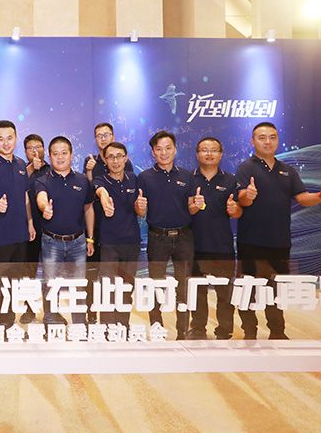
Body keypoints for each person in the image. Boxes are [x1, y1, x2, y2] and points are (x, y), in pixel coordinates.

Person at [235, 122, 321, 340]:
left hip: (280, 241)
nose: (267, 141)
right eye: (262, 137)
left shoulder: (287, 170)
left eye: (272, 137)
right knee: (248, 289)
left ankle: (277, 332)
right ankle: (249, 332)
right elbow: (241, 199)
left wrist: (320, 195)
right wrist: (247, 195)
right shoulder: (246, 168)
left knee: (276, 289)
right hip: (251, 241)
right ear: (253, 141)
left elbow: (302, 198)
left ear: (277, 140)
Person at [136, 130, 195, 340]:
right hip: (157, 237)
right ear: (153, 152)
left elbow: (192, 208)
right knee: (155, 285)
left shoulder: (187, 176)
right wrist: (139, 207)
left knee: (184, 285)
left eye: (168, 148)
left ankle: (182, 331)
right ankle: (157, 328)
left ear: (175, 149)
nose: (164, 153)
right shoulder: (144, 177)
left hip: (184, 237)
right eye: (159, 149)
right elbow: (140, 212)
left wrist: (197, 205)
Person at [35, 136, 95, 325]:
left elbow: (88, 208)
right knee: (50, 284)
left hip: (78, 242)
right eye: (55, 154)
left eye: (64, 153)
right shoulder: (42, 181)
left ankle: (79, 324)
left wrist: (90, 238)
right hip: (51, 242)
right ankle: (51, 321)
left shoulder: (83, 180)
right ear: (49, 156)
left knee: (79, 285)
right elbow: (41, 198)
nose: (60, 157)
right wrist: (45, 208)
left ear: (71, 155)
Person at [0, 120, 36, 328]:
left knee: (14, 281)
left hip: (20, 234)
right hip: (0, 235)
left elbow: (25, 196)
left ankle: (9, 321)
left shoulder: (21, 164)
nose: (6, 143)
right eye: (1, 139)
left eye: (9, 138)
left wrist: (30, 222)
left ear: (16, 138)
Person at [186, 137, 242, 340]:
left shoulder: (231, 180)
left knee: (225, 292)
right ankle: (198, 328)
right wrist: (193, 206)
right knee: (197, 291)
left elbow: (238, 212)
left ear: (221, 154)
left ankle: (225, 329)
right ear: (197, 154)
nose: (209, 154)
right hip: (194, 245)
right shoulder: (188, 179)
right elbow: (185, 210)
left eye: (213, 150)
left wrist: (235, 209)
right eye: (204, 150)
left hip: (222, 246)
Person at [83, 123, 134, 322]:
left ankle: (121, 322)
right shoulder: (91, 162)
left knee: (122, 281)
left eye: (107, 134)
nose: (103, 138)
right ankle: (92, 314)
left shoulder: (125, 165)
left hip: (121, 230)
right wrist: (89, 174)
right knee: (96, 276)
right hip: (96, 226)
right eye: (99, 135)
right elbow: (90, 191)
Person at [93, 142, 141, 325]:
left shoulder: (134, 179)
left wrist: (141, 207)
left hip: (132, 242)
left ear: (126, 158)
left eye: (119, 156)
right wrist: (105, 200)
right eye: (111, 157)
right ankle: (106, 327)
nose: (115, 161)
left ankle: (123, 326)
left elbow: (140, 208)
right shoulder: (100, 180)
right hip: (109, 244)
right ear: (105, 160)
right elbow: (100, 191)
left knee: (127, 287)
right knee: (108, 287)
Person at [22, 133, 49, 323]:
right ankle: (29, 309)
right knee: (28, 272)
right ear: (25, 152)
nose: (35, 150)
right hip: (28, 229)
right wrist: (31, 169)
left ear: (44, 149)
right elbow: (17, 193)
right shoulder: (21, 171)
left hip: (50, 228)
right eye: (30, 148)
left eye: (38, 146)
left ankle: (51, 312)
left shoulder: (53, 169)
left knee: (50, 273)